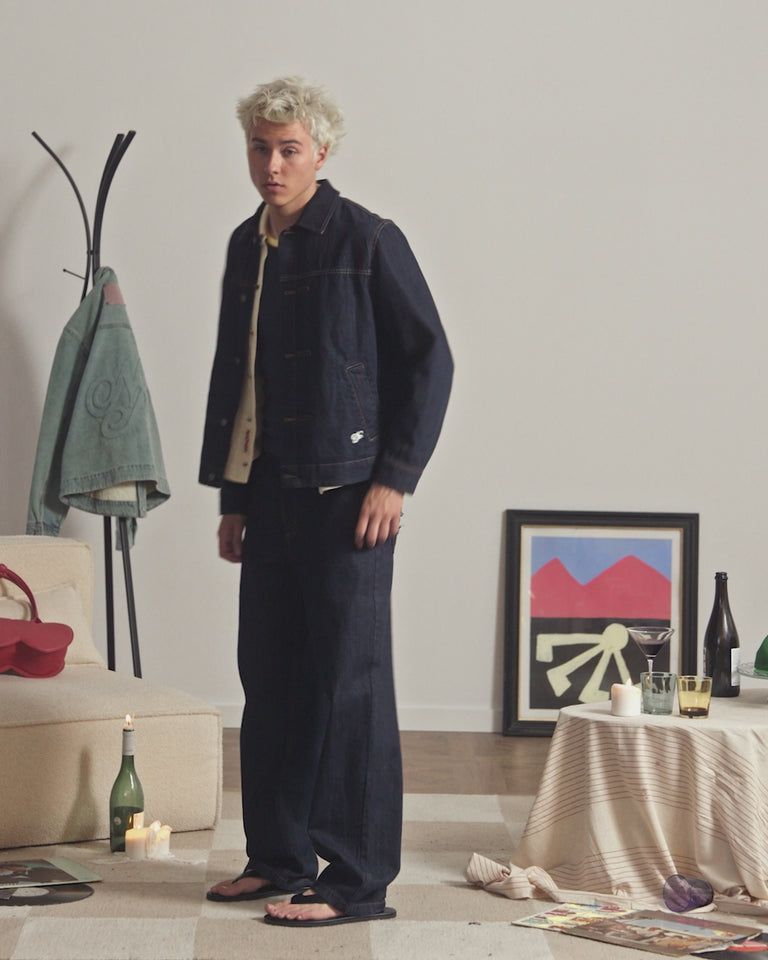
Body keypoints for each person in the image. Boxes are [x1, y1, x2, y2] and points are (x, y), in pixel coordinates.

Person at [199, 76, 453, 927]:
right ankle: (277, 857)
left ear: (321, 151)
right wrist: (235, 494)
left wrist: (395, 477)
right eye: (260, 148)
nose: (271, 165)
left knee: (351, 685)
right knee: (270, 679)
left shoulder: (368, 239)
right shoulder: (248, 244)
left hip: (350, 496)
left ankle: (356, 880)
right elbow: (241, 375)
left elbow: (431, 361)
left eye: (289, 149)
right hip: (271, 490)